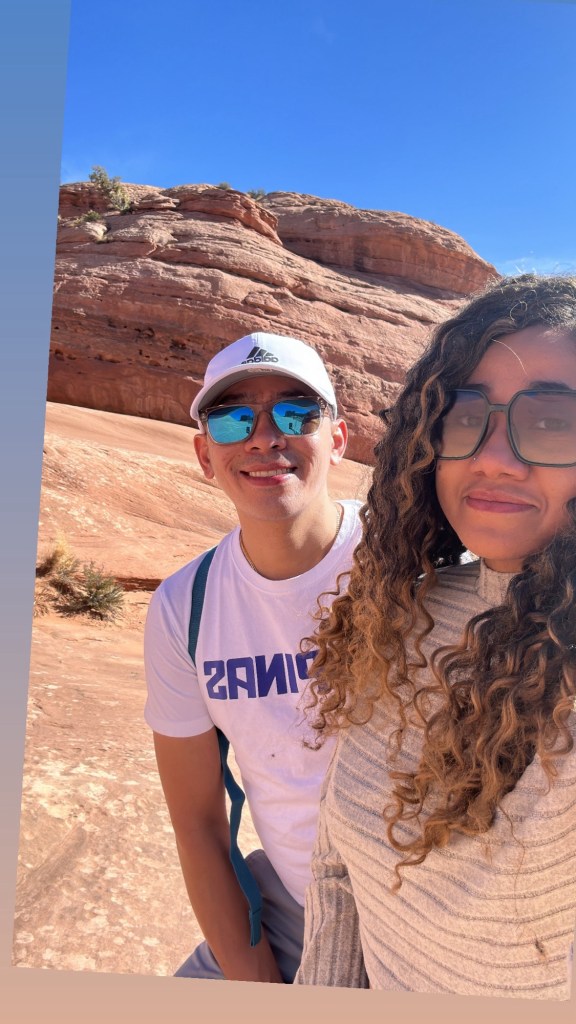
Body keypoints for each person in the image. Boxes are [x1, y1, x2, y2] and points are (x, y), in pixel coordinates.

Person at [295, 275, 576, 999]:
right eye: (465, 415)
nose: (494, 457)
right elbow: (337, 867)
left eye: (552, 422)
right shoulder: (402, 615)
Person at [144, 330, 362, 983]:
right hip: (294, 908)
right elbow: (199, 825)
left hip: (432, 913)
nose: (265, 438)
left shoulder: (413, 557)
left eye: (296, 414)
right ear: (205, 454)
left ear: (337, 440)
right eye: (234, 419)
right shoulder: (185, 607)